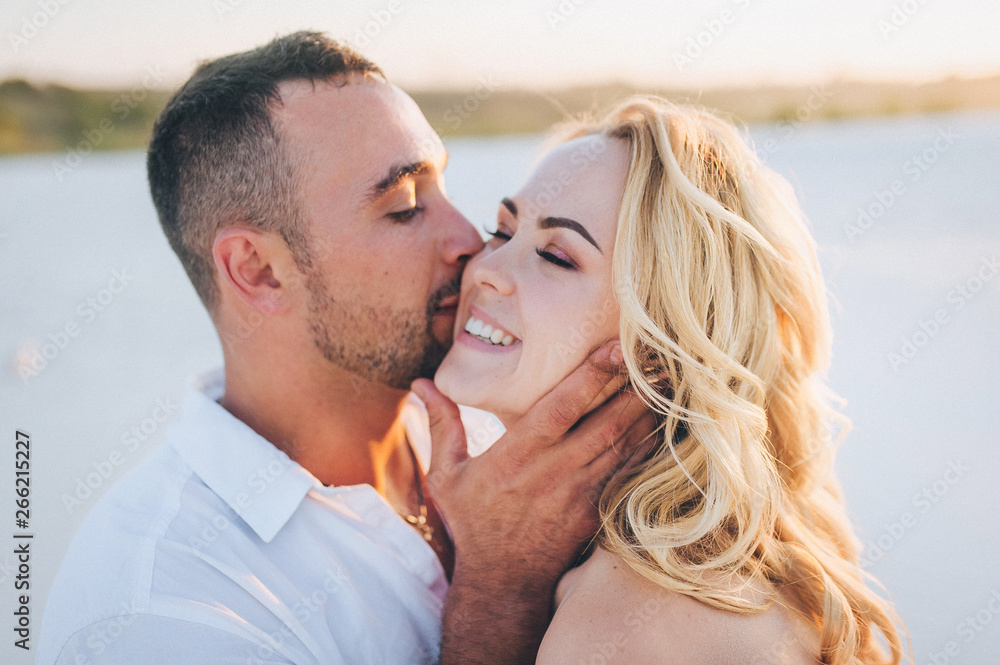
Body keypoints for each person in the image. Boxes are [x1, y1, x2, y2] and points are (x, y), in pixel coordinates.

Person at [37, 32, 653, 665]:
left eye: (442, 185)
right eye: (406, 207)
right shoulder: (161, 610)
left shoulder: (505, 410)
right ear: (259, 271)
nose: (471, 240)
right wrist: (500, 593)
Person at [422, 96, 906, 664]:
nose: (486, 270)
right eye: (502, 231)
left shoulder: (629, 623)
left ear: (660, 345)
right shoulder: (684, 563)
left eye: (557, 255)